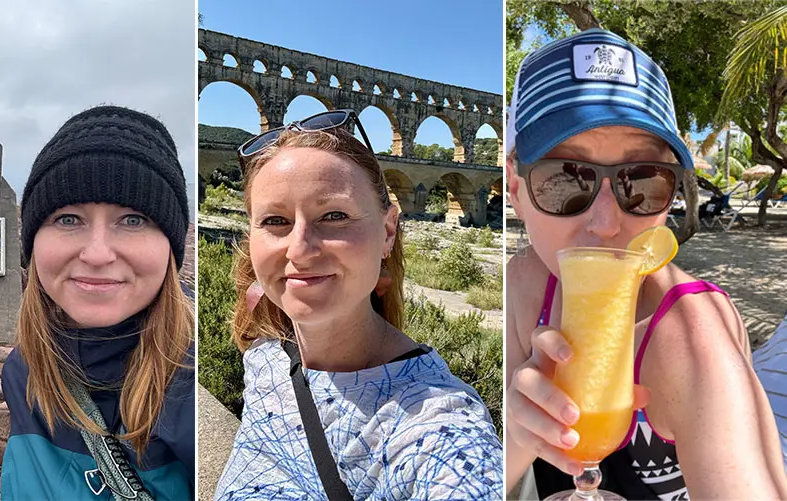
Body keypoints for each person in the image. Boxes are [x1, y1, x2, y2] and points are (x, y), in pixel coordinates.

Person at [504, 29, 787, 499]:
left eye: (643, 180)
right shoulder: (521, 287)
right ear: (515, 189)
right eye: (564, 178)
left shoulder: (696, 336)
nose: (606, 222)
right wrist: (517, 435)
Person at [214, 110, 502, 500]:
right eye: (275, 220)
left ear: (387, 231)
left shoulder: (435, 426)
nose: (299, 249)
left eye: (334, 215)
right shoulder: (265, 356)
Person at [1, 105, 196, 500]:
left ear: (170, 247)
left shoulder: (192, 384)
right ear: (33, 242)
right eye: (69, 219)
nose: (97, 254)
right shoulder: (21, 371)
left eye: (133, 219)